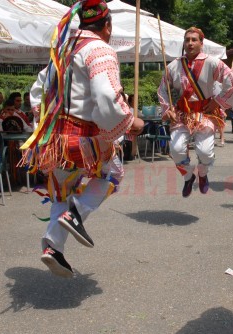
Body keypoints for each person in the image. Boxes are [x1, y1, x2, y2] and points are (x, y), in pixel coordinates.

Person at [22, 0, 143, 278]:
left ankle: (52, 247)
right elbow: (106, 98)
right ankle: (77, 214)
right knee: (112, 174)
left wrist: (47, 127)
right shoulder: (99, 49)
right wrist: (130, 122)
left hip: (56, 141)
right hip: (85, 140)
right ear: (107, 26)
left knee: (63, 190)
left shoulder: (63, 50)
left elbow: (37, 91)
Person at [158, 27, 233, 197]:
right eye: (187, 39)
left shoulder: (212, 62)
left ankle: (202, 174)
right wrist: (167, 108)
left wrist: (217, 101)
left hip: (205, 113)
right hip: (182, 114)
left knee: (204, 152)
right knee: (176, 149)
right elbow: (163, 89)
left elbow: (232, 82)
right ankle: (188, 176)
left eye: (194, 40)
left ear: (201, 43)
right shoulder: (174, 65)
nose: (190, 43)